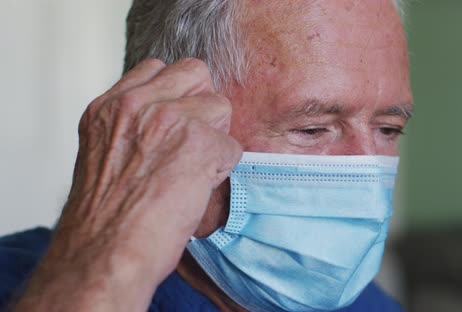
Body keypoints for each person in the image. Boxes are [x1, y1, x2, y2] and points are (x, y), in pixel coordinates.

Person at [0, 0, 413, 311]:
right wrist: (108, 267)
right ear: (167, 117)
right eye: (312, 129)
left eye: (388, 130)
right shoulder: (23, 284)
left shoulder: (368, 303)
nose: (366, 169)